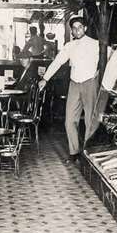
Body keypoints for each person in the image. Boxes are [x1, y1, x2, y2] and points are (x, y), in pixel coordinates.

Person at [37, 17, 100, 162]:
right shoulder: (69, 46)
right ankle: (74, 153)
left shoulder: (95, 44)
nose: (77, 30)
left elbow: (110, 57)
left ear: (85, 28)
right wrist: (45, 79)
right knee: (69, 120)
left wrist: (100, 73)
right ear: (71, 30)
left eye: (80, 27)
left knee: (90, 121)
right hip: (74, 84)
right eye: (74, 28)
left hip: (90, 83)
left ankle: (88, 153)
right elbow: (57, 62)